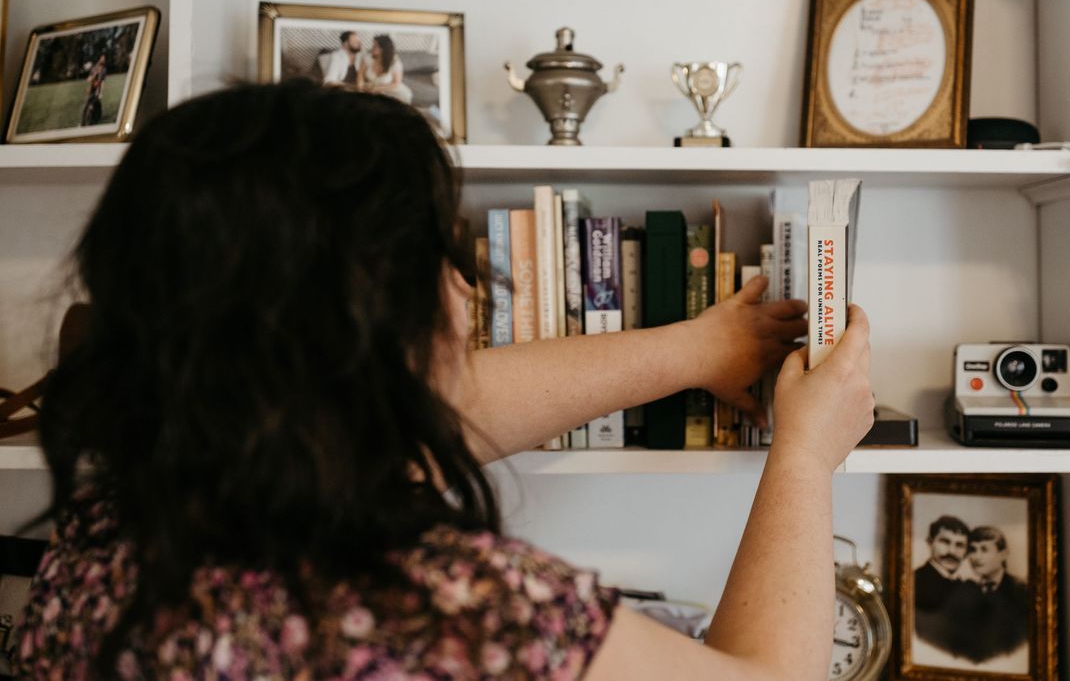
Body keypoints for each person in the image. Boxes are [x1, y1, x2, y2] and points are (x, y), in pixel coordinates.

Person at [16, 81, 876, 680]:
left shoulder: (100, 544)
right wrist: (804, 451)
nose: (468, 291)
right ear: (361, 316)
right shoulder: (456, 610)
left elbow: (456, 410)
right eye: (438, 257)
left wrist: (698, 350)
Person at [945, 526, 1029, 664]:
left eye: (984, 549)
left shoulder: (1022, 592)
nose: (976, 557)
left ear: (1003, 553)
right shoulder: (965, 591)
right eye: (972, 550)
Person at [913, 515, 970, 651]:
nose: (951, 551)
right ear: (929, 542)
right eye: (945, 542)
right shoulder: (915, 582)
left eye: (959, 545)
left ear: (966, 552)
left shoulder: (967, 587)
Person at [358, 34, 413, 104]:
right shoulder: (367, 58)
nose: (372, 47)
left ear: (383, 49)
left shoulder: (395, 62)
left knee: (404, 96)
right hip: (371, 88)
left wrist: (377, 89)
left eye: (375, 46)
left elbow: (396, 83)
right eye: (373, 45)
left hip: (390, 89)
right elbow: (360, 76)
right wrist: (360, 88)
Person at [80, 55, 107, 126]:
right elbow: (89, 79)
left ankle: (93, 120)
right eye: (102, 58)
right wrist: (92, 77)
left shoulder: (104, 71)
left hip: (97, 90)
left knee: (94, 104)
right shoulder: (94, 69)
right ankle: (84, 122)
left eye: (104, 59)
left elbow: (102, 82)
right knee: (87, 106)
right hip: (92, 90)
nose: (103, 60)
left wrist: (100, 92)